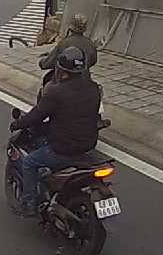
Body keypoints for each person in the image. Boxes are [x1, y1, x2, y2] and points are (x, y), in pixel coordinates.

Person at [10, 46, 102, 216]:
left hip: (63, 148)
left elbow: (36, 116)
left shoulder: (56, 92)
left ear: (61, 70)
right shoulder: (94, 88)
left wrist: (18, 124)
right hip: (88, 145)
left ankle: (29, 203)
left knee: (29, 162)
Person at [39, 17, 99, 85]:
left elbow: (49, 62)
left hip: (64, 80)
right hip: (84, 79)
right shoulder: (90, 43)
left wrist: (42, 62)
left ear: (70, 28)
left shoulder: (64, 43)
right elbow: (94, 61)